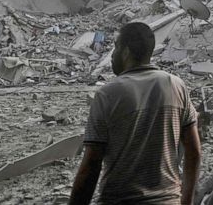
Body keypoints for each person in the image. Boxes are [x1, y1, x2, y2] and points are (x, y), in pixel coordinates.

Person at [70, 22, 202, 205]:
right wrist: (186, 201)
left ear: (126, 52)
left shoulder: (108, 94)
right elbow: (193, 151)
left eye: (115, 48)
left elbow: (92, 164)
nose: (112, 55)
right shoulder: (175, 85)